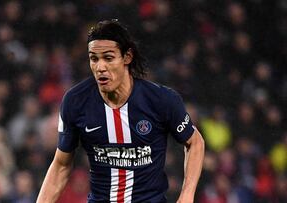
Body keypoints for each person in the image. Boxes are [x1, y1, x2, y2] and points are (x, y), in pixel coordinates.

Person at [37, 19, 205, 203]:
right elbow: (61, 165)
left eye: (108, 58)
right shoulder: (75, 101)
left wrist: (187, 195)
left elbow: (194, 142)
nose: (100, 67)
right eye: (94, 58)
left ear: (127, 57)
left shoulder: (161, 100)